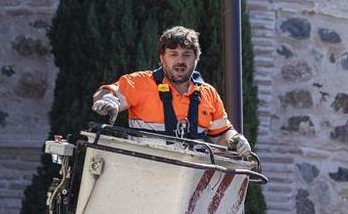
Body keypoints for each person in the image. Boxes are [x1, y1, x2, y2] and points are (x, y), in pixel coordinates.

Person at [91, 26, 252, 158]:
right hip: (143, 177)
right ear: (161, 58)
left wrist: (235, 139)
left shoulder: (209, 94)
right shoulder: (140, 83)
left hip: (192, 180)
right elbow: (106, 92)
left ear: (196, 59)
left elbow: (221, 135)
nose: (180, 61)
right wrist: (107, 100)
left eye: (187, 55)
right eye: (173, 54)